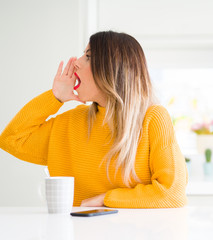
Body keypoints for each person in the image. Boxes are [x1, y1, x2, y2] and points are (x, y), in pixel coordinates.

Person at [0, 31, 188, 208]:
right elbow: (11, 140)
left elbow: (173, 193)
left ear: (112, 69)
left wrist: (106, 199)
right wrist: (55, 97)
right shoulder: (70, 122)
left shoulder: (153, 119)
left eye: (88, 57)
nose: (76, 63)